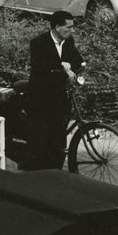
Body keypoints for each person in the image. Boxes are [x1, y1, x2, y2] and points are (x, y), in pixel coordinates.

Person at [24, 10, 84, 170]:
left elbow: (78, 60)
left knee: (58, 140)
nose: (72, 31)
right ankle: (35, 175)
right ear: (57, 27)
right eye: (69, 27)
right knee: (41, 140)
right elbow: (42, 66)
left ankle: (56, 173)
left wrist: (73, 67)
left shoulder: (68, 42)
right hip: (41, 99)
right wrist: (62, 67)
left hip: (59, 97)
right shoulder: (38, 43)